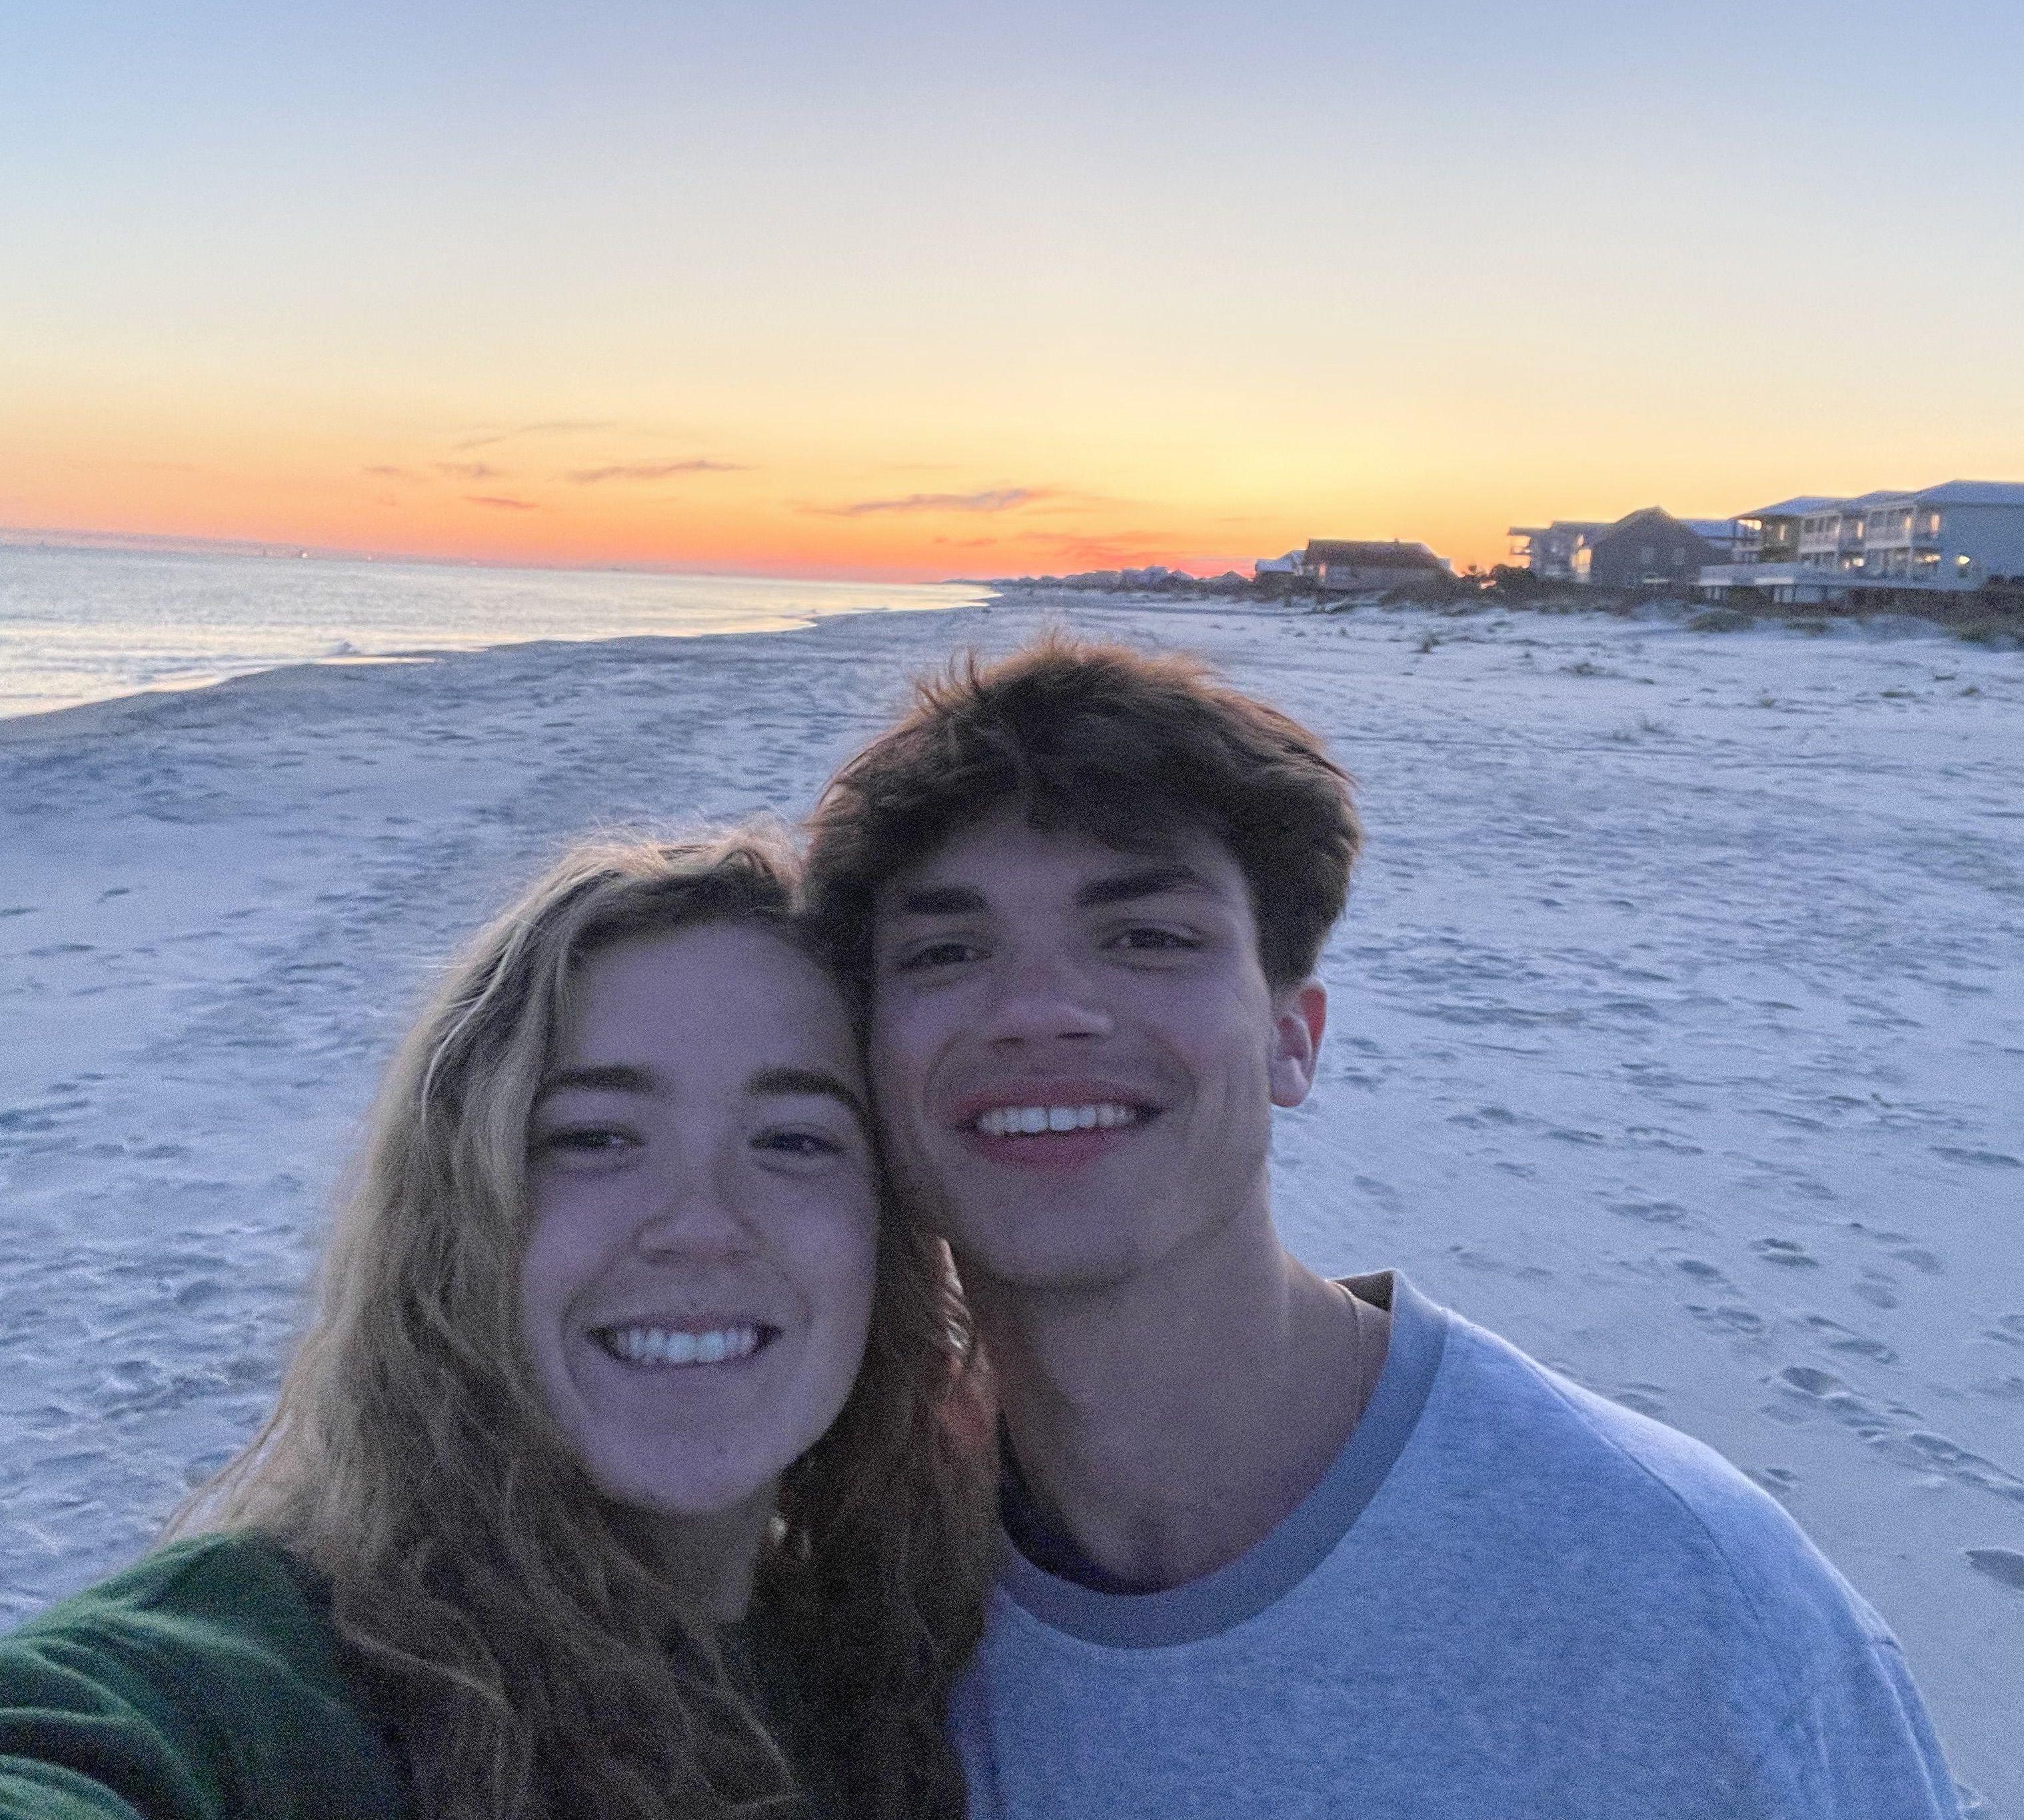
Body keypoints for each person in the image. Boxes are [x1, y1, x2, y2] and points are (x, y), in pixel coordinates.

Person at [805, 636, 1965, 1820]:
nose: (1038, 1010)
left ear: (1290, 1039)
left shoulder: (1676, 1600)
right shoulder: (848, 1581)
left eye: (1146, 935)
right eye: (947, 951)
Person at [0, 832, 992, 1820]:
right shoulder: (240, 1690)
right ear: (451, 1215)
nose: (701, 1227)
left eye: (793, 1140)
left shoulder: (896, 1670)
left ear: (889, 1235)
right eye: (592, 1138)